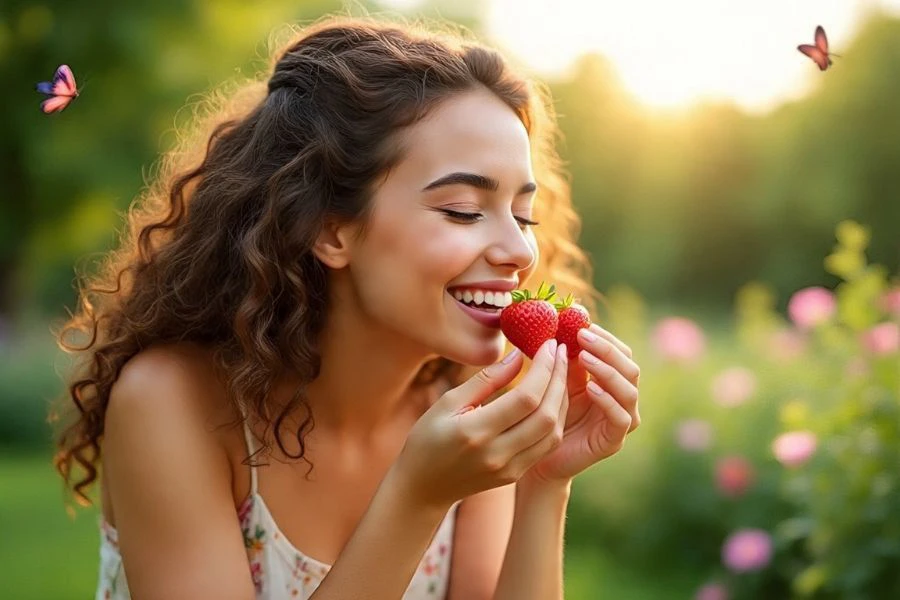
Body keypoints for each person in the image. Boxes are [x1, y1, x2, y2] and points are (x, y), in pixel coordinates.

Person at [50, 14, 641, 600]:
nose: (519, 251)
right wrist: (417, 496)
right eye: (463, 209)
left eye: (524, 215)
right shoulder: (173, 402)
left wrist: (543, 478)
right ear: (330, 229)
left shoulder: (469, 414)